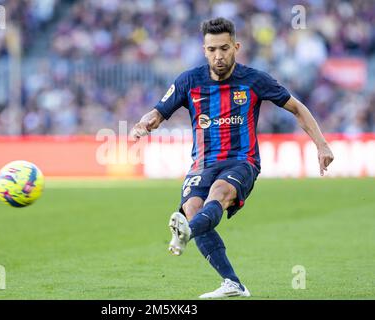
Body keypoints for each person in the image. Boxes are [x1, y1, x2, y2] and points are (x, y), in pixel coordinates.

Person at [130, 17, 334, 298]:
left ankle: (186, 233)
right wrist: (145, 123)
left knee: (219, 193)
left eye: (224, 48)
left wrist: (321, 145)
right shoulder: (189, 81)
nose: (219, 55)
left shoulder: (254, 80)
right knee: (192, 207)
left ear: (236, 46)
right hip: (202, 163)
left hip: (242, 160)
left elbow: (297, 108)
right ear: (204, 50)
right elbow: (157, 112)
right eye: (212, 49)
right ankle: (232, 283)